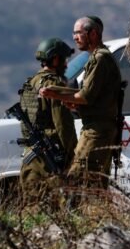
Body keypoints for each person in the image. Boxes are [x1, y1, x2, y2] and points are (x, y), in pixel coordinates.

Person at [40, 16, 121, 194]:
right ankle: (95, 216)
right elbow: (92, 98)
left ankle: (76, 218)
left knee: (76, 179)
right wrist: (73, 102)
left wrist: (55, 95)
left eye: (78, 33)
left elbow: (85, 96)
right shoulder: (97, 58)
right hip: (96, 127)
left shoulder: (100, 59)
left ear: (92, 34)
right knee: (95, 183)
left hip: (97, 131)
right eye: (74, 33)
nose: (75, 37)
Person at [18, 37, 78, 209]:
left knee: (33, 209)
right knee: (55, 210)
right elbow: (63, 124)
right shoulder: (54, 84)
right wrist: (72, 152)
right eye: (64, 60)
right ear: (56, 59)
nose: (66, 65)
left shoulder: (31, 83)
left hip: (31, 154)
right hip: (50, 156)